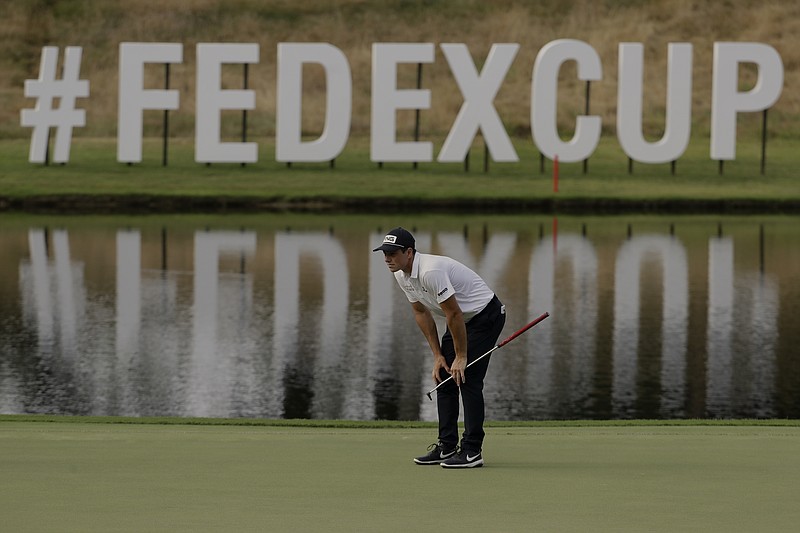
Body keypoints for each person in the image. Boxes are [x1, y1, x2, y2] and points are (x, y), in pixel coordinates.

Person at [373, 227, 506, 468]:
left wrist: (462, 355)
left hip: (485, 315)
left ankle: (472, 451)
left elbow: (453, 313)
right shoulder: (401, 273)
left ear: (409, 252)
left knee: (467, 378)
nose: (387, 258)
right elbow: (420, 312)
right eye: (385, 253)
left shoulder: (430, 271)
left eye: (392, 253)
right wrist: (437, 356)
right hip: (461, 319)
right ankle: (447, 446)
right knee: (444, 375)